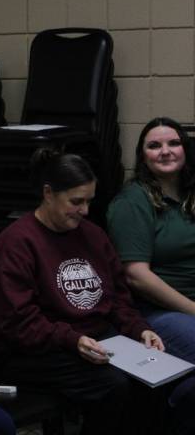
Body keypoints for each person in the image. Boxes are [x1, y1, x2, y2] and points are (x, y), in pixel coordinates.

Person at [0, 148, 165, 435]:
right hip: (30, 352)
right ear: (48, 193)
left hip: (91, 340)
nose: (85, 211)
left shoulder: (92, 235)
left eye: (89, 201)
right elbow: (18, 323)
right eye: (76, 202)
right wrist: (73, 339)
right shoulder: (17, 243)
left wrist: (139, 329)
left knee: (153, 378)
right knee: (113, 386)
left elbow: (117, 298)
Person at [107, 117, 195, 435]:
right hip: (157, 314)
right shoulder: (133, 202)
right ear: (142, 155)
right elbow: (137, 276)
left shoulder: (190, 195)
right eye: (154, 145)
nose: (165, 151)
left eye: (173, 143)